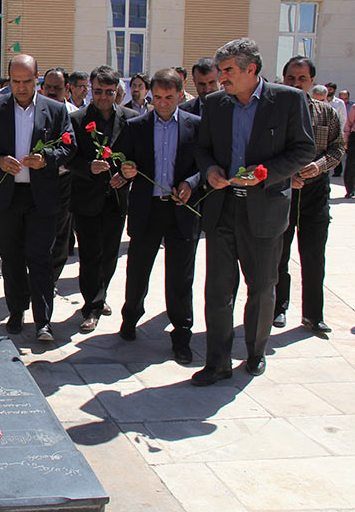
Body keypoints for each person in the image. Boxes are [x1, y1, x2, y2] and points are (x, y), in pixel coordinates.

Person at [192, 38, 314, 386]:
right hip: (222, 208)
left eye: (228, 71)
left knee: (261, 287)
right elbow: (202, 148)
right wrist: (211, 170)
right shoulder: (214, 104)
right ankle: (217, 362)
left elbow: (303, 149)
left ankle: (255, 353)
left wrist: (263, 175)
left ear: (251, 70)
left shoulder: (289, 100)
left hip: (265, 210)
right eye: (220, 71)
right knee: (217, 289)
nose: (221, 77)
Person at [0, 54, 75, 341]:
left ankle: (43, 320)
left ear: (37, 79)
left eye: (27, 81)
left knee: (41, 258)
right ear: (8, 81)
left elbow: (70, 146)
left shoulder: (55, 110)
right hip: (8, 196)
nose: (21, 87)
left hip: (40, 197)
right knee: (12, 258)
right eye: (16, 82)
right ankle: (16, 312)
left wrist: (47, 159)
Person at [119, 69, 202, 364]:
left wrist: (190, 183)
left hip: (180, 210)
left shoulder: (196, 126)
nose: (164, 103)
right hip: (147, 209)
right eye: (159, 97)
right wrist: (125, 169)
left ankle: (181, 332)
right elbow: (122, 158)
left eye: (170, 97)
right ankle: (130, 317)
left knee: (180, 276)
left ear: (181, 94)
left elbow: (205, 166)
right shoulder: (136, 126)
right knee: (138, 269)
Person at [273, 56, 344, 335]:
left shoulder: (327, 113)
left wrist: (318, 166)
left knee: (313, 255)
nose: (296, 83)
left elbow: (338, 149)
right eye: (291, 78)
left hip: (316, 191)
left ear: (313, 81)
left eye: (302, 78)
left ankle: (313, 314)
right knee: (279, 253)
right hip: (283, 190)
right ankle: (279, 307)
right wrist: (287, 174)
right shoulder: (274, 114)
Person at [67, 65, 138, 333]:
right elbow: (68, 158)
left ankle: (101, 292)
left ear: (118, 91)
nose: (103, 97)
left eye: (109, 92)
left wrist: (127, 175)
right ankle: (91, 306)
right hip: (86, 197)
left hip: (116, 199)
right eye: (98, 91)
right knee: (89, 254)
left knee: (109, 255)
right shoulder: (77, 120)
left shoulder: (131, 119)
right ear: (89, 90)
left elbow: (136, 158)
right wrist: (88, 167)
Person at [39, 67, 78, 293]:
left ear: (67, 89)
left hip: (64, 180)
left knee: (61, 233)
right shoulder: (33, 111)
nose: (52, 92)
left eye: (58, 88)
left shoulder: (74, 115)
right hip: (38, 180)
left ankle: (51, 279)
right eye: (49, 87)